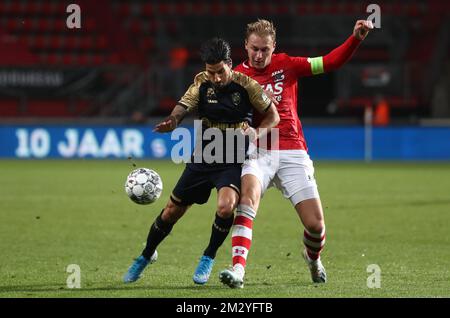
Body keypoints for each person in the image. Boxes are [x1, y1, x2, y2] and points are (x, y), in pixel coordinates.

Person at [218, 19, 373, 288]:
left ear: (273, 47)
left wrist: (355, 38)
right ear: (245, 45)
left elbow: (329, 62)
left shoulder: (288, 64)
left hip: (293, 151)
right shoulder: (235, 77)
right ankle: (238, 270)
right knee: (247, 202)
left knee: (316, 226)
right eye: (254, 48)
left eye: (264, 49)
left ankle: (312, 258)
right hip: (258, 151)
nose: (258, 55)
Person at [123, 38, 279, 284]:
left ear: (229, 64)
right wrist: (173, 121)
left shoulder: (247, 85)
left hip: (232, 159)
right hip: (204, 156)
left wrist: (258, 133)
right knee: (171, 212)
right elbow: (183, 106)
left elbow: (273, 116)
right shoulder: (201, 82)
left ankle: (208, 256)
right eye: (210, 72)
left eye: (220, 72)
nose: (215, 78)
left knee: (226, 206)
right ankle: (144, 256)